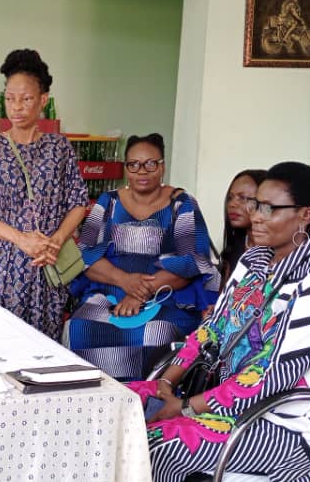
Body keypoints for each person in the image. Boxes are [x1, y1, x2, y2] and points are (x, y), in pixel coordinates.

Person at [127, 161, 310, 482]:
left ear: (305, 215)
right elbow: (210, 330)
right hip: (219, 405)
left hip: (281, 427)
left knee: (156, 445)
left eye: (269, 208)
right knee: (117, 404)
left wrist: (185, 408)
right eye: (255, 204)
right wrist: (166, 383)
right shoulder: (253, 261)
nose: (255, 215)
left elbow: (269, 377)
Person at [0, 48, 90, 339]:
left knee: (42, 348)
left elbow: (78, 202)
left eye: (26, 99)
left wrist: (56, 241)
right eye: (9, 98)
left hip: (46, 267)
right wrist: (20, 239)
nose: (16, 107)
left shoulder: (59, 148)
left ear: (43, 100)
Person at [63, 134, 219, 380]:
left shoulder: (182, 204)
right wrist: (125, 281)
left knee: (157, 333)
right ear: (126, 168)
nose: (142, 171)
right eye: (133, 164)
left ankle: (145, 399)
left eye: (150, 164)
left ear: (162, 166)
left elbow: (192, 261)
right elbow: (85, 256)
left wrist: (141, 293)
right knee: (79, 326)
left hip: (165, 295)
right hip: (110, 291)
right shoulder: (108, 202)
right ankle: (94, 396)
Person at [218, 169, 267, 286]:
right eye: (230, 198)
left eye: (243, 198)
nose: (232, 204)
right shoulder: (234, 248)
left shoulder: (278, 252)